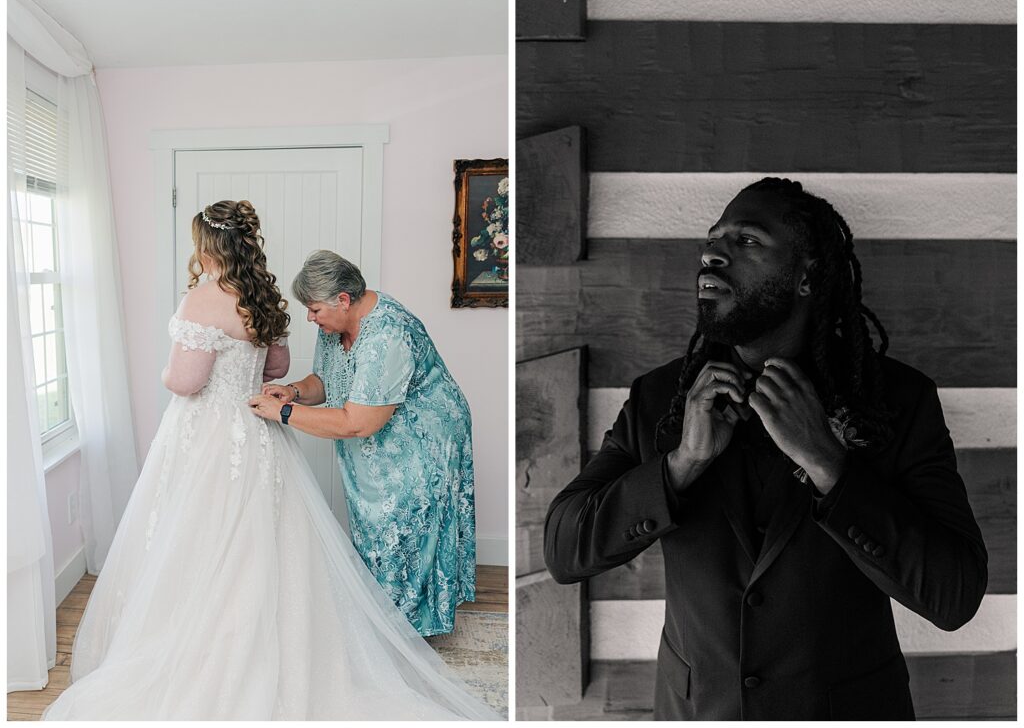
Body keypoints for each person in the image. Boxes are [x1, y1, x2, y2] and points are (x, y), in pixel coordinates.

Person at [544, 178, 987, 720]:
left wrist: (830, 465)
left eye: (747, 240)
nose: (713, 253)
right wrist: (681, 465)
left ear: (806, 276)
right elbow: (563, 550)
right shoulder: (660, 399)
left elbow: (954, 595)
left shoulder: (897, 400)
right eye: (713, 239)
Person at [44, 201, 498, 720]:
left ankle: (223, 643)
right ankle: (322, 637)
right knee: (270, 537)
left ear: (207, 246)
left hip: (217, 432)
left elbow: (189, 381)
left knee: (197, 535)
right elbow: (281, 366)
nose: (313, 318)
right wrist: (284, 394)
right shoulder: (264, 297)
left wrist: (170, 378)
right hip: (256, 432)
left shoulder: (204, 299)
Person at [250, 250, 476, 636]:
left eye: (314, 309)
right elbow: (324, 381)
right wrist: (290, 392)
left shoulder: (388, 334)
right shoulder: (334, 327)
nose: (310, 317)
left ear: (343, 300)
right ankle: (384, 620)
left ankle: (409, 634)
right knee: (376, 525)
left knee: (408, 523)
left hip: (423, 440)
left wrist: (283, 415)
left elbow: (359, 423)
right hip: (373, 435)